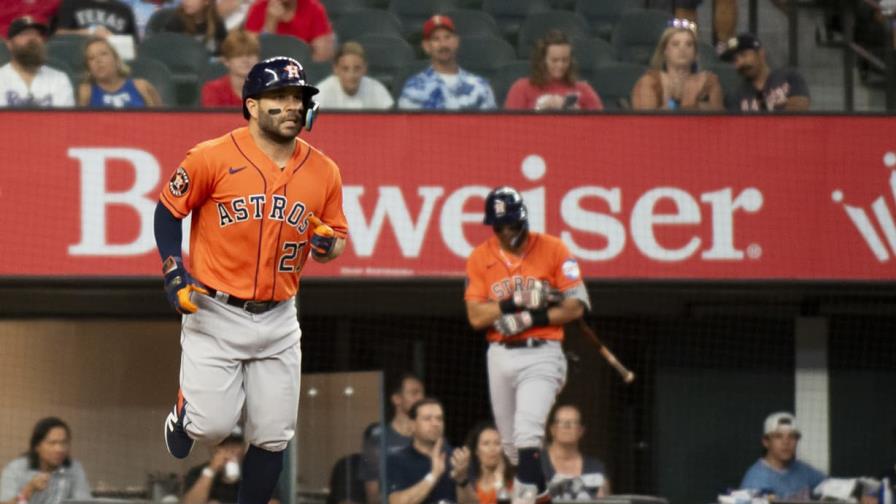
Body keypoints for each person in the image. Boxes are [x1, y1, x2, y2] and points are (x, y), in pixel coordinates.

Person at [156, 55, 348, 504]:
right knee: (211, 427)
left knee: (273, 436)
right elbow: (167, 210)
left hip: (280, 316)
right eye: (279, 96)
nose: (292, 106)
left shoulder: (325, 170)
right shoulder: (211, 156)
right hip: (215, 309)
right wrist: (173, 269)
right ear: (252, 105)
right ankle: (183, 413)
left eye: (298, 97)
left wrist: (328, 246)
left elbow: (336, 238)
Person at [464, 187, 591, 503]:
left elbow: (576, 306)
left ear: (523, 220)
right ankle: (545, 495)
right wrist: (513, 302)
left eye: (512, 224)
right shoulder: (480, 256)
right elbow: (476, 316)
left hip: (542, 351)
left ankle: (526, 498)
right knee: (511, 448)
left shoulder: (554, 248)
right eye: (500, 226)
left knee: (527, 434)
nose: (507, 232)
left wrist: (530, 319)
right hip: (500, 353)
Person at [397, 15, 496, 110]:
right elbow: (407, 122)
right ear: (426, 46)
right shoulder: (414, 88)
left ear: (456, 41)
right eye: (436, 39)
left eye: (447, 37)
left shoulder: (479, 86)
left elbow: (491, 121)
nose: (443, 44)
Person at [385, 398, 471, 504]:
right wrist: (434, 475)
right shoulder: (396, 459)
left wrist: (462, 481)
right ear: (412, 425)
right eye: (427, 419)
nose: (435, 423)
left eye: (439, 419)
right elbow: (396, 502)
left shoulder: (456, 459)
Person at [360, 373, 425, 504]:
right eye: (414, 393)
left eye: (422, 393)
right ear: (396, 399)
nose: (421, 398)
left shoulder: (429, 437)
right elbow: (373, 495)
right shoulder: (378, 439)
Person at [631, 21, 723, 111]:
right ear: (664, 51)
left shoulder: (709, 82)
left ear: (695, 53)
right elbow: (645, 119)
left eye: (689, 44)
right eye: (675, 44)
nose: (682, 49)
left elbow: (720, 117)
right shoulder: (649, 81)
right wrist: (693, 106)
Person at [504, 30, 603, 111]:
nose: (560, 65)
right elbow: (510, 125)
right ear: (542, 60)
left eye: (565, 60)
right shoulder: (521, 88)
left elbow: (601, 123)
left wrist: (578, 115)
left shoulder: (583, 89)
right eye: (554, 60)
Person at [0, 417, 92, 504]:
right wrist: (29, 489)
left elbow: (84, 501)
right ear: (37, 446)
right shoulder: (17, 468)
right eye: (52, 443)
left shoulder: (74, 468)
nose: (60, 449)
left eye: (64, 443)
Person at [182, 428, 282, 504]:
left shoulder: (258, 474)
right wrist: (212, 470)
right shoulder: (198, 473)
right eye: (223, 445)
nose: (230, 450)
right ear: (214, 449)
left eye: (235, 445)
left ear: (243, 447)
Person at [739, 412, 826, 500]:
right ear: (766, 442)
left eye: (792, 437)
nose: (786, 442)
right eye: (778, 436)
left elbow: (829, 484)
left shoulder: (803, 470)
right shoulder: (756, 480)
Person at [721, 33, 811, 112]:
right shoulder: (735, 96)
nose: (740, 63)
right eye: (735, 60)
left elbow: (799, 111)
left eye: (743, 55)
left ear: (761, 53)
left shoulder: (790, 77)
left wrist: (761, 107)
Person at [0, 16, 74, 107]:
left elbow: (64, 116)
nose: (32, 38)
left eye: (37, 34)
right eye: (25, 34)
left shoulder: (59, 79)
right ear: (9, 44)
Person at [541, 404, 610, 501]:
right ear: (552, 429)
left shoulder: (596, 469)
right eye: (561, 422)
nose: (567, 426)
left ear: (581, 431)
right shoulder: (537, 465)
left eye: (573, 422)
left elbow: (605, 500)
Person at [78, 35, 161, 107]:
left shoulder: (141, 86)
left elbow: (160, 118)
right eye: (91, 58)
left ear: (116, 59)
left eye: (103, 54)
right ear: (88, 68)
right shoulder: (86, 92)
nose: (98, 60)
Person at [243, 0, 335, 62]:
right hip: (267, 68)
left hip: (302, 69)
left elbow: (322, 55)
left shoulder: (313, 8)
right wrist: (270, 22)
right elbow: (250, 52)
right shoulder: (258, 8)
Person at [315, 41, 393, 110]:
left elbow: (390, 119)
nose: (351, 75)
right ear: (336, 69)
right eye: (345, 69)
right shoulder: (321, 93)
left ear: (364, 68)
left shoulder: (377, 89)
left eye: (357, 68)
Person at [201, 29, 260, 108]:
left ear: (258, 59)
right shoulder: (213, 90)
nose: (245, 60)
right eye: (238, 55)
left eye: (250, 55)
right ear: (226, 61)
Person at [465, 422, 513, 504]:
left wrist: (499, 480)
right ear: (476, 450)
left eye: (497, 443)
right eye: (486, 443)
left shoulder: (511, 486)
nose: (492, 448)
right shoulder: (469, 485)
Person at [162, 0, 227, 54]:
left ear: (207, 1)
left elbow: (224, 49)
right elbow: (166, 51)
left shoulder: (217, 22)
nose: (185, 1)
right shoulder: (175, 22)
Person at [53, 0, 138, 40]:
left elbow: (134, 45)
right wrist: (90, 32)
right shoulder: (71, 3)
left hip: (115, 62)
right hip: (77, 60)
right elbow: (59, 34)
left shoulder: (125, 10)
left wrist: (113, 38)